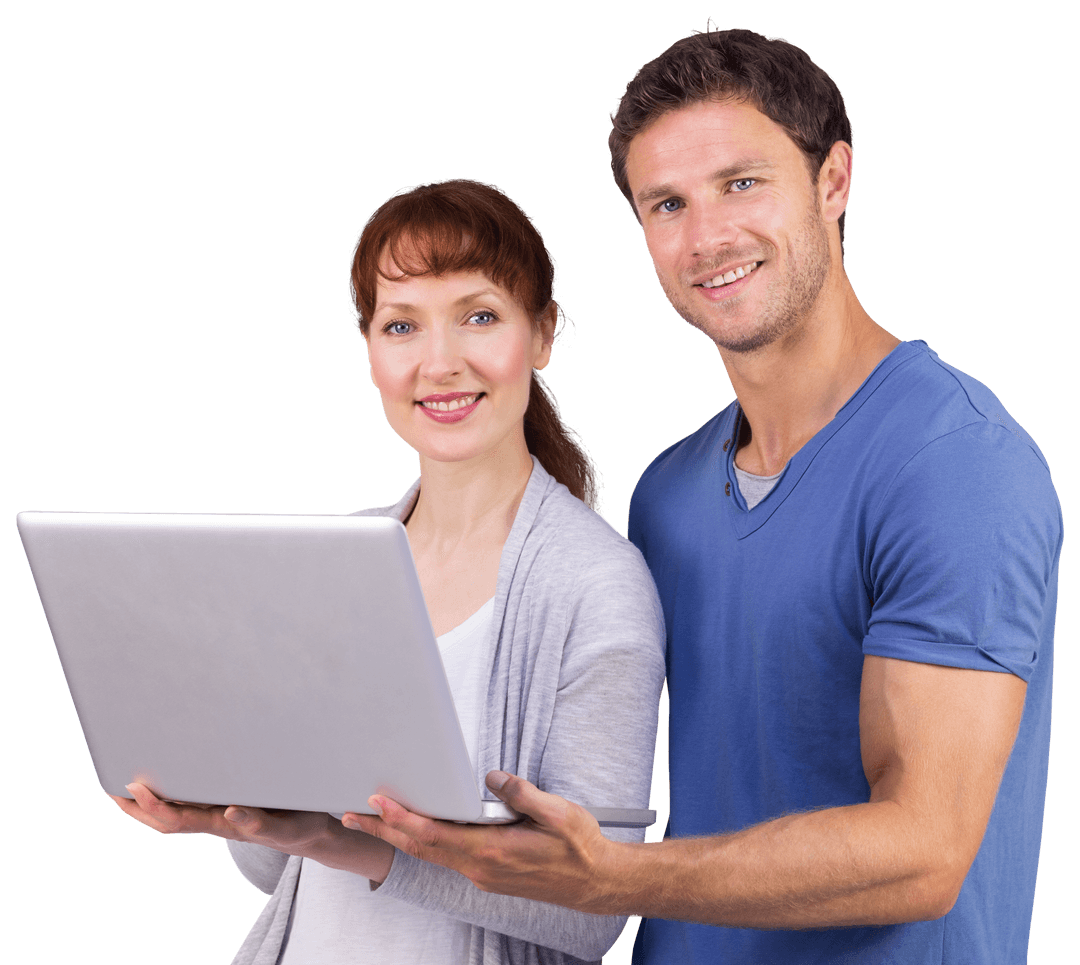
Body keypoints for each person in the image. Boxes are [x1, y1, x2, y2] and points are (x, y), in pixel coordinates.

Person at [349, 28, 1063, 964]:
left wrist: (614, 878)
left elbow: (925, 852)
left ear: (833, 181)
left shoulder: (957, 465)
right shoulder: (671, 494)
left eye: (742, 183)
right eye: (666, 203)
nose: (706, 236)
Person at [108, 178, 666, 964]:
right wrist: (232, 809)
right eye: (401, 325)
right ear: (370, 354)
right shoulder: (345, 553)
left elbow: (593, 910)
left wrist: (355, 847)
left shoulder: (595, 581)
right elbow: (287, 871)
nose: (439, 362)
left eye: (479, 316)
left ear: (541, 336)